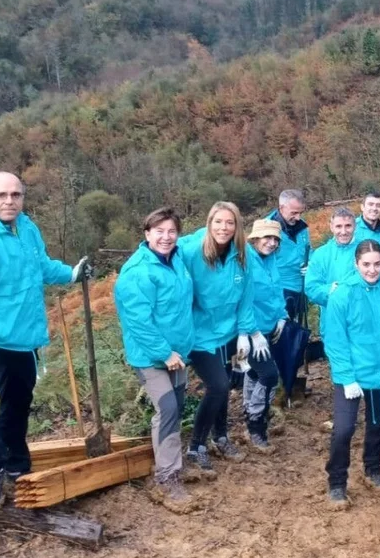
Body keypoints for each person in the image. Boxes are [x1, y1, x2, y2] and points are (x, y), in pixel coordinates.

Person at [0, 171, 89, 513]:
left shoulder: (27, 228)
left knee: (17, 403)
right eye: (1, 195)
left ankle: (14, 461)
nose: (9, 201)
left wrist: (70, 274)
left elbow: (39, 266)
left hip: (23, 338)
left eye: (16, 194)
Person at [178, 202, 271, 477]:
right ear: (209, 224)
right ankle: (196, 446)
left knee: (228, 384)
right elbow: (160, 251)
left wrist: (246, 332)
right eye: (218, 222)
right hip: (199, 335)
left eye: (230, 223)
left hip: (230, 334)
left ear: (237, 226)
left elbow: (246, 296)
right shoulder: (191, 251)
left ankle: (221, 437)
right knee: (217, 386)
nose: (224, 228)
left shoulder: (242, 255)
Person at [114, 207, 196, 513]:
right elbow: (138, 321)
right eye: (159, 231)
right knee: (168, 408)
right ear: (147, 234)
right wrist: (165, 353)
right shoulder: (138, 271)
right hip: (152, 356)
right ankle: (166, 479)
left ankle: (169, 464)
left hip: (178, 353)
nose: (166, 237)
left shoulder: (176, 260)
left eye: (172, 231)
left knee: (173, 410)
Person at [322, 240, 380, 508]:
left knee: (376, 424)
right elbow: (335, 339)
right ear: (356, 264)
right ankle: (336, 482)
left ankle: (373, 469)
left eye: (377, 264)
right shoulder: (343, 294)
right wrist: (346, 376)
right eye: (366, 264)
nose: (372, 269)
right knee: (343, 429)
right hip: (352, 374)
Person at [243, 218, 287, 452]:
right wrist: (252, 331)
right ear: (255, 238)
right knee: (269, 375)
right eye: (266, 238)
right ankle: (255, 424)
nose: (271, 243)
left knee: (254, 372)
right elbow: (243, 299)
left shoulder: (271, 261)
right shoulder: (245, 261)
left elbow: (276, 291)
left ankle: (248, 415)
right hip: (250, 331)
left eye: (275, 239)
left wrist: (282, 315)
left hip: (270, 327)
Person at [266, 189, 310, 324]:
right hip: (279, 290)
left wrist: (311, 263)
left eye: (300, 213)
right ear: (281, 208)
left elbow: (308, 249)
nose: (298, 217)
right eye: (294, 213)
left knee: (297, 330)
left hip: (301, 287)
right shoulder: (267, 228)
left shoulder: (302, 227)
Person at [305, 207, 359, 309]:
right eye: (338, 226)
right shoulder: (320, 254)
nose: (343, 232)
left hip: (361, 315)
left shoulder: (366, 249)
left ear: (355, 226)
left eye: (348, 226)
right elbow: (311, 288)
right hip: (331, 316)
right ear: (331, 227)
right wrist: (329, 290)